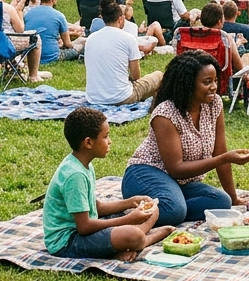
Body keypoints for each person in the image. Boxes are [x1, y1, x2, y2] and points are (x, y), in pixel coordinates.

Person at [121, 50, 249, 226]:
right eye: (207, 82)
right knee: (174, 209)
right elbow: (176, 168)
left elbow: (220, 151)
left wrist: (234, 197)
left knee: (222, 201)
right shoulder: (166, 114)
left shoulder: (214, 104)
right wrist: (225, 158)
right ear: (188, 84)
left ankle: (165, 205)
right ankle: (156, 209)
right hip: (146, 174)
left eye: (215, 80)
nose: (214, 86)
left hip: (181, 184)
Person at [44, 107, 172, 260]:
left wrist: (129, 203)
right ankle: (143, 239)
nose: (109, 141)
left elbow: (95, 207)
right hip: (68, 241)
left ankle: (131, 239)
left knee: (152, 207)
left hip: (87, 227)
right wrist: (128, 220)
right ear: (88, 143)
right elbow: (84, 227)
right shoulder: (75, 175)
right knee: (133, 234)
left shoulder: (84, 164)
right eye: (105, 136)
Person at [83, 0, 163, 105]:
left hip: (93, 97)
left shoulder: (91, 38)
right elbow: (136, 77)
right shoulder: (128, 38)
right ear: (121, 19)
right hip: (121, 97)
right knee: (158, 75)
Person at [26, 0, 73, 67]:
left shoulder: (28, 14)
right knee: (80, 44)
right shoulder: (59, 16)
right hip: (51, 56)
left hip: (30, 56)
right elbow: (68, 44)